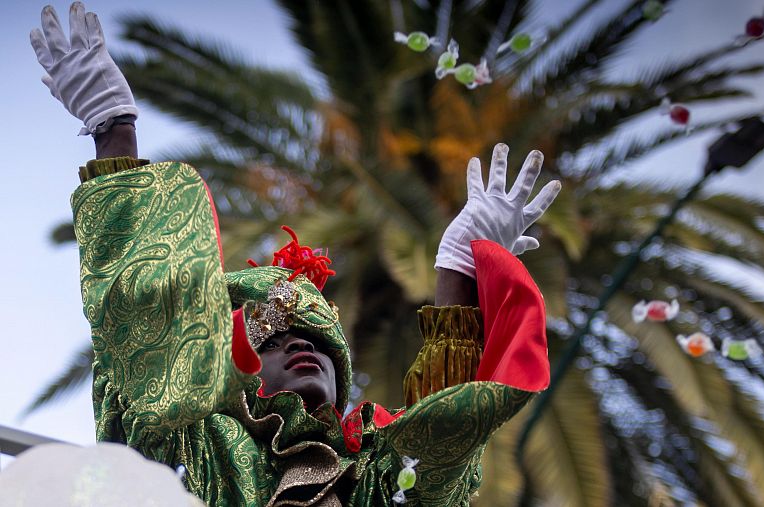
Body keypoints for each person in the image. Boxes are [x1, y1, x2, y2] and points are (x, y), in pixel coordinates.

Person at [30, 2, 562, 506]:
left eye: (312, 338)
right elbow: (146, 338)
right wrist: (113, 129)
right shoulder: (204, 445)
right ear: (232, 367)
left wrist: (460, 267)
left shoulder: (374, 471)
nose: (298, 347)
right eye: (273, 339)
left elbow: (444, 440)